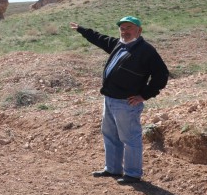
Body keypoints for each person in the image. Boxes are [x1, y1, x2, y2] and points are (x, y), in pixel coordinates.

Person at [69, 16, 168, 184]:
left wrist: (144, 95)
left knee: (130, 139)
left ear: (139, 30)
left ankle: (132, 174)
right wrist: (81, 29)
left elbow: (161, 75)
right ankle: (113, 168)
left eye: (129, 28)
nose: (125, 31)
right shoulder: (118, 44)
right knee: (110, 135)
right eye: (122, 28)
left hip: (126, 103)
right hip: (109, 99)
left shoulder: (146, 51)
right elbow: (99, 39)